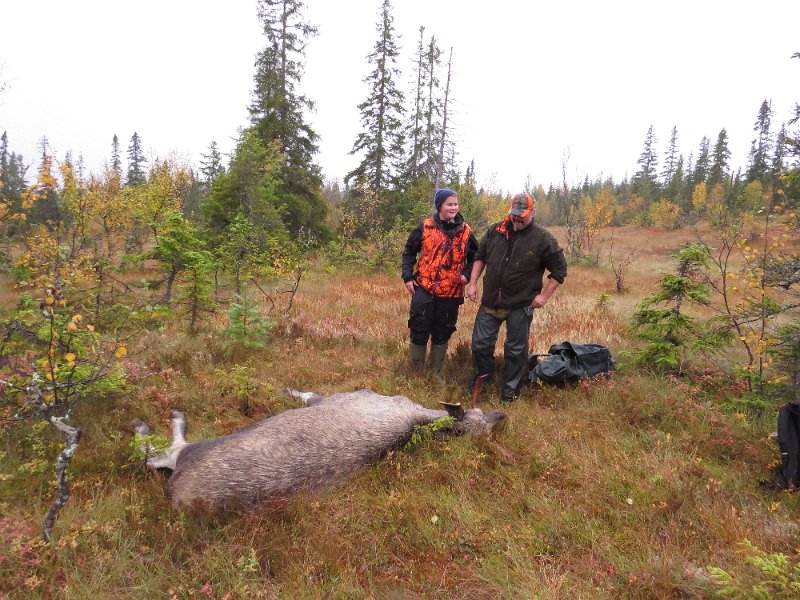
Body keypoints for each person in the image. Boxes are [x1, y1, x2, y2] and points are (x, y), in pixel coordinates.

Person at [467, 192, 567, 403]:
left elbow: (559, 271)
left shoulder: (543, 238)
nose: (517, 219)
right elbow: (480, 257)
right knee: (480, 345)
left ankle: (509, 390)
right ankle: (482, 380)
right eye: (514, 214)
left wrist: (544, 297)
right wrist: (473, 283)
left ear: (532, 213)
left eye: (522, 215)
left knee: (515, 350)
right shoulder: (496, 231)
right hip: (491, 300)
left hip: (521, 304)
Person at [402, 188, 478, 379]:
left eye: (455, 204)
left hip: (451, 293)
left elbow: (476, 257)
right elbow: (409, 252)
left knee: (442, 333)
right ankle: (416, 373)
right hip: (424, 289)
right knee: (419, 329)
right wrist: (408, 277)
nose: (454, 208)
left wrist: (467, 275)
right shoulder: (425, 227)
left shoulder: (466, 232)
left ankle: (436, 374)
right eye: (449, 204)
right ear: (440, 206)